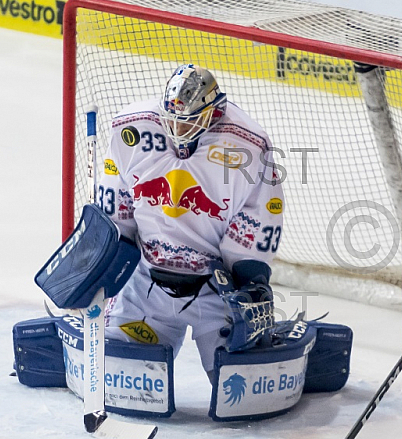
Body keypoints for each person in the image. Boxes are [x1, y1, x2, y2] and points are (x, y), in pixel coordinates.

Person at [97, 64, 283, 387]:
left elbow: (259, 217)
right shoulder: (132, 130)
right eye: (173, 121)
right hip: (145, 285)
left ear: (213, 113)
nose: (179, 131)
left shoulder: (248, 145)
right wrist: (101, 258)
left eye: (189, 122)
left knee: (238, 384)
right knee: (120, 379)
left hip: (215, 288)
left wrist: (252, 279)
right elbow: (118, 208)